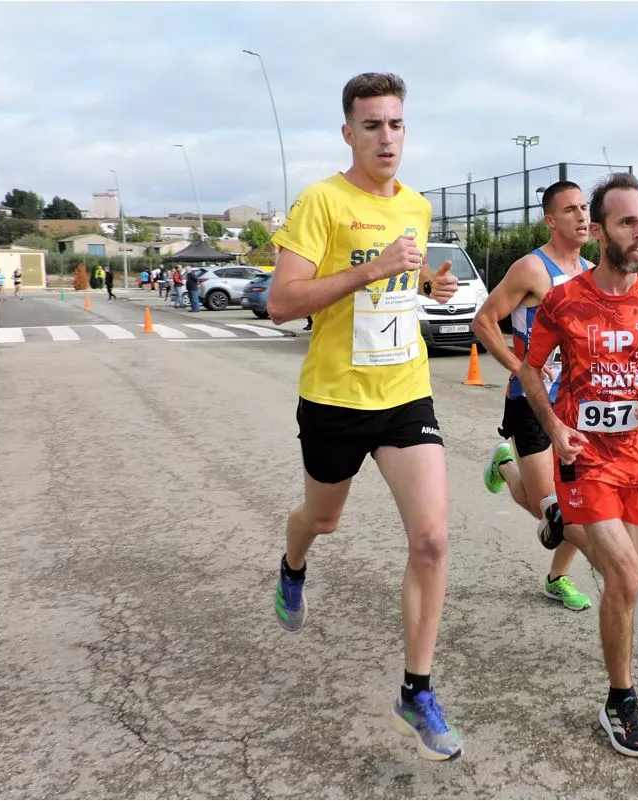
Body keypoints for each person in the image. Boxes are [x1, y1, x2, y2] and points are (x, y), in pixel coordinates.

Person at [266, 72, 464, 761]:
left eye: (397, 124)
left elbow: (395, 288)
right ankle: (292, 565)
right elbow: (282, 303)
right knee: (321, 519)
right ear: (348, 132)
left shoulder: (414, 205)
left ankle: (416, 688)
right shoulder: (320, 201)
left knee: (433, 539)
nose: (387, 136)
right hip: (333, 397)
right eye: (373, 125)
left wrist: (422, 286)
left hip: (403, 392)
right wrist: (372, 268)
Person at [519, 172, 638, 758]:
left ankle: (617, 691)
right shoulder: (565, 299)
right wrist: (555, 426)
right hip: (584, 460)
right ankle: (623, 698)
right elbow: (530, 368)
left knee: (625, 589)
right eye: (627, 223)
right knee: (628, 577)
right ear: (599, 230)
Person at [472, 180, 595, 613]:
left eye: (584, 208)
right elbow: (484, 321)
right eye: (570, 210)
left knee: (581, 502)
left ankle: (557, 578)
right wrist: (520, 367)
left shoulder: (591, 273)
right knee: (552, 513)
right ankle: (505, 466)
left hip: (578, 407)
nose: (582, 216)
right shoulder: (532, 269)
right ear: (550, 220)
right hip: (530, 402)